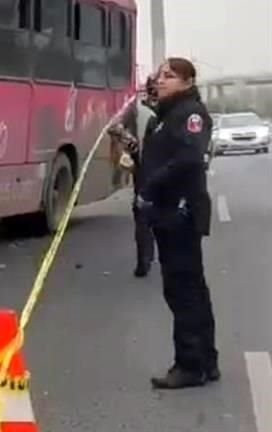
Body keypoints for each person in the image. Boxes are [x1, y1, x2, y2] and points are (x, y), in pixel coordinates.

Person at [135, 57, 219, 389]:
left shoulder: (190, 114)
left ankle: (190, 365)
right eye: (160, 75)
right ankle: (206, 361)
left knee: (184, 292)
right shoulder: (165, 116)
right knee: (190, 290)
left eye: (170, 76)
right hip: (167, 213)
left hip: (180, 213)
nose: (161, 80)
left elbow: (187, 159)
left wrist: (151, 187)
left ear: (187, 81)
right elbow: (161, 156)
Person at [109, 76, 159, 277]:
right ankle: (145, 260)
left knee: (157, 216)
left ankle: (152, 257)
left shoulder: (179, 111)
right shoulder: (136, 109)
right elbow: (114, 127)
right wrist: (130, 143)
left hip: (167, 170)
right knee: (143, 214)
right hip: (145, 168)